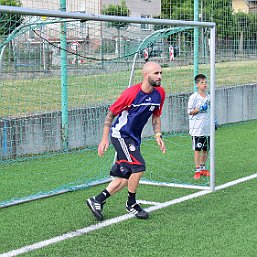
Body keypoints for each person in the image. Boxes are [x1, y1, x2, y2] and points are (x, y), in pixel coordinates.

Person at [86, 62, 166, 220]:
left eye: (161, 73)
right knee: (138, 167)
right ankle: (132, 204)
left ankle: (97, 200)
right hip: (121, 135)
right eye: (156, 73)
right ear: (145, 75)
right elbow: (110, 114)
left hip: (134, 138)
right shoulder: (130, 94)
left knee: (125, 177)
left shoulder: (160, 93)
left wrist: (158, 135)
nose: (160, 76)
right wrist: (104, 139)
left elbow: (156, 116)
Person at [187, 74, 211, 180]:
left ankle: (203, 168)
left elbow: (210, 110)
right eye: (202, 82)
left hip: (207, 128)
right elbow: (190, 112)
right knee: (197, 149)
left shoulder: (209, 97)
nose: (205, 84)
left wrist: (213, 120)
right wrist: (200, 108)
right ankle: (197, 170)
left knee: (206, 149)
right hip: (197, 129)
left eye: (205, 82)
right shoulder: (193, 97)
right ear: (197, 84)